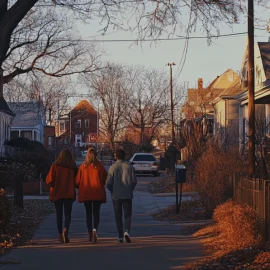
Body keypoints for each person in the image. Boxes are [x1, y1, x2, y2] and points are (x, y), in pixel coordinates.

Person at [75, 148, 107, 243]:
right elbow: (104, 179)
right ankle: (95, 230)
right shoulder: (100, 167)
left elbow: (77, 181)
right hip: (97, 193)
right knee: (96, 213)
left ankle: (89, 233)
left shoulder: (82, 167)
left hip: (86, 193)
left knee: (88, 214)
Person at [46, 149, 77, 243]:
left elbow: (49, 180)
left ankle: (60, 234)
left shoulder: (55, 166)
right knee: (68, 214)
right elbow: (77, 182)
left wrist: (54, 185)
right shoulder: (73, 167)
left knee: (59, 214)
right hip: (69, 193)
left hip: (57, 193)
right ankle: (66, 230)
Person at [106, 149, 137, 243]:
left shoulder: (113, 167)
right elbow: (134, 181)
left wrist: (112, 190)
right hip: (127, 194)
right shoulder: (130, 167)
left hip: (116, 195)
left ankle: (120, 235)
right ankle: (126, 231)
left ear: (116, 156)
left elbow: (108, 183)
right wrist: (130, 189)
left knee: (118, 215)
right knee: (127, 214)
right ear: (124, 156)